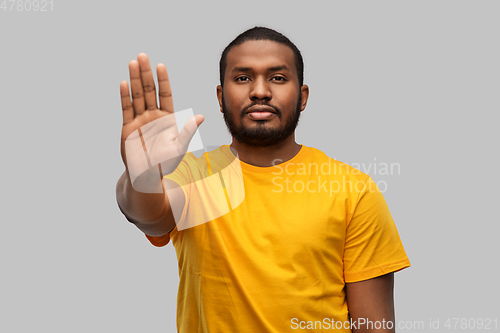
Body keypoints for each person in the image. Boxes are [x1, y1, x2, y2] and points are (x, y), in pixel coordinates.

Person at [116, 26, 410, 333]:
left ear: (303, 96)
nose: (259, 91)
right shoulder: (194, 176)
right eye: (243, 78)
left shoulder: (352, 189)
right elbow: (148, 215)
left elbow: (374, 327)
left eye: (278, 78)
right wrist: (144, 177)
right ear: (220, 96)